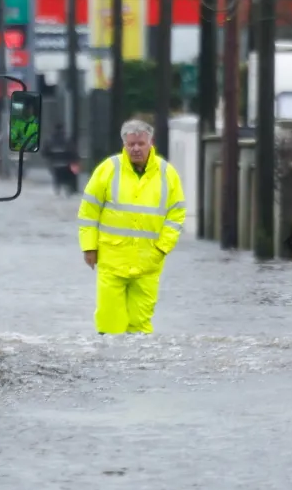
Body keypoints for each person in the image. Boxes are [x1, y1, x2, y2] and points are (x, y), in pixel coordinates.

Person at [77, 119, 186, 334]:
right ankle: (109, 362)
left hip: (148, 260)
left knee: (140, 325)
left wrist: (162, 247)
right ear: (124, 144)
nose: (136, 149)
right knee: (110, 322)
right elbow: (88, 212)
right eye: (131, 144)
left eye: (140, 144)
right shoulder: (108, 169)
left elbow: (177, 213)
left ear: (150, 143)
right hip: (112, 258)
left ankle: (138, 367)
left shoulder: (167, 173)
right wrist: (89, 248)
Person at [45, 123, 79, 196]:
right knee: (67, 178)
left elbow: (45, 152)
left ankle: (58, 189)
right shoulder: (66, 140)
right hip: (66, 164)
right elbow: (72, 152)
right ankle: (67, 190)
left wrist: (50, 157)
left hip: (55, 164)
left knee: (57, 177)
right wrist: (74, 159)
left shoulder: (50, 140)